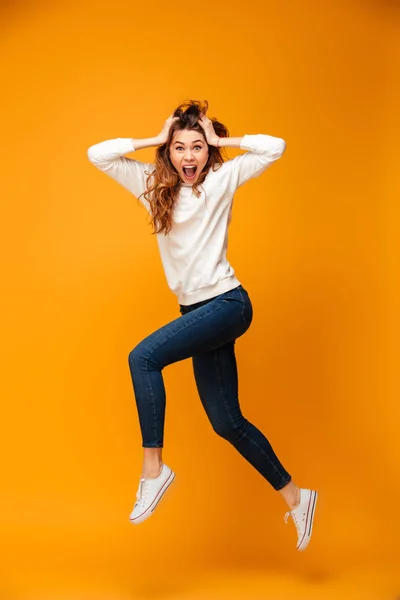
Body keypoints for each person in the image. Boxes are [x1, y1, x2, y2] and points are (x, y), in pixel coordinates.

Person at [87, 100, 317, 551]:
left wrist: (222, 142)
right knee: (226, 422)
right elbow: (98, 154)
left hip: (229, 304)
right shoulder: (151, 183)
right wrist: (153, 138)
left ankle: (153, 471)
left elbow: (275, 148)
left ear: (207, 153)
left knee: (143, 357)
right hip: (195, 314)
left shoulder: (221, 179)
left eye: (197, 147)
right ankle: (297, 497)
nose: (188, 156)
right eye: (179, 147)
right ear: (168, 152)